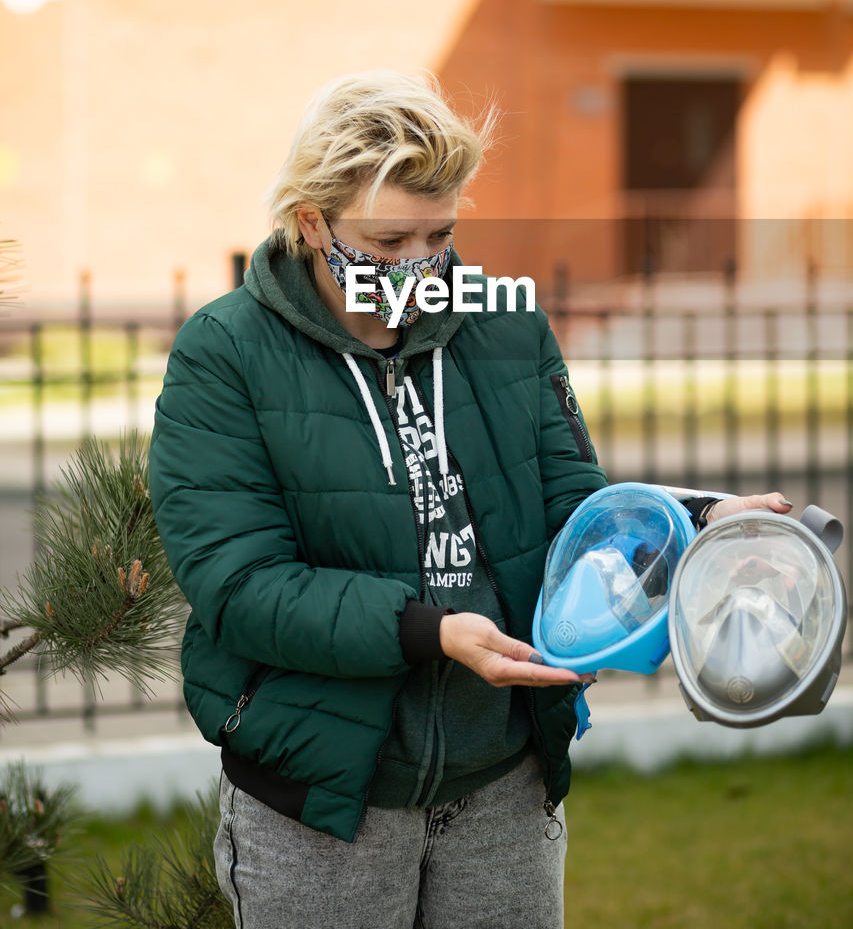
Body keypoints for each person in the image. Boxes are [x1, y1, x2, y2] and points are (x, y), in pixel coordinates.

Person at [148, 70, 792, 929]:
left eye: (439, 235)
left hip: (503, 787)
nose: (418, 266)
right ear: (311, 223)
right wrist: (434, 632)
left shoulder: (502, 324)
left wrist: (698, 520)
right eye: (385, 242)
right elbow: (238, 587)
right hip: (326, 800)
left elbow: (573, 511)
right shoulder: (225, 351)